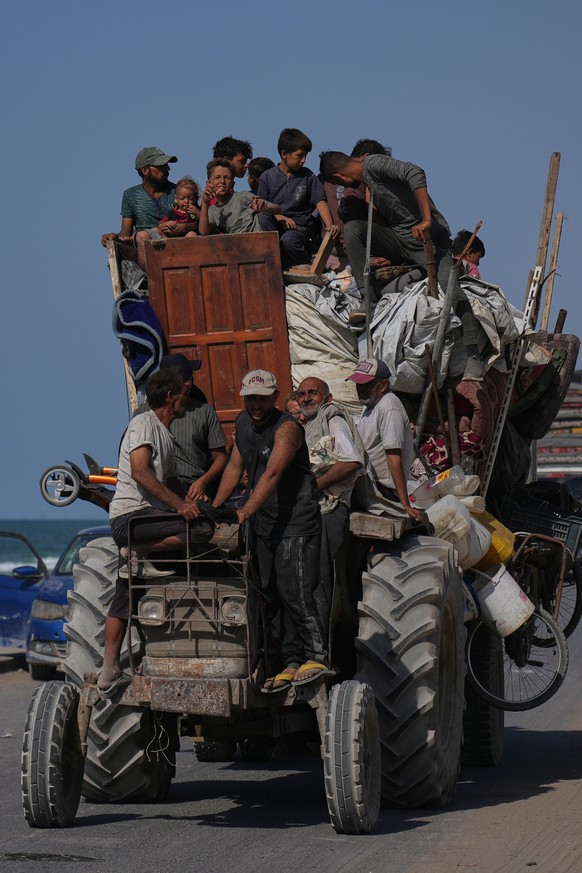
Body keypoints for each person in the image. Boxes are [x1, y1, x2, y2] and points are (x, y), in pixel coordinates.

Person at [212, 369, 331, 692]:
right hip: (264, 524)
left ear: (275, 398)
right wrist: (217, 508)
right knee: (271, 593)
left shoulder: (287, 428)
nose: (257, 405)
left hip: (296, 522)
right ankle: (290, 661)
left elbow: (273, 473)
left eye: (263, 398)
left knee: (298, 592)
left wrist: (244, 511)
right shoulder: (243, 424)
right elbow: (235, 467)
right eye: (251, 398)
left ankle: (316, 656)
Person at [97, 368, 214, 697]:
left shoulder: (166, 434)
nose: (186, 400)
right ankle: (143, 550)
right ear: (170, 397)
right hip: (131, 518)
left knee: (124, 594)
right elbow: (141, 473)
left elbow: (171, 482)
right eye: (183, 394)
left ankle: (108, 672)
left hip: (149, 520)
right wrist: (181, 508)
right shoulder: (144, 424)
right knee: (203, 531)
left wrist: (192, 499)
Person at [320, 150, 484, 381]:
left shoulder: (374, 164)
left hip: (429, 240)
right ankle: (368, 298)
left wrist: (426, 220)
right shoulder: (369, 183)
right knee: (353, 229)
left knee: (450, 287)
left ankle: (473, 353)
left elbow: (415, 172)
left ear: (340, 177)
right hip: (401, 239)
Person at [296, 377, 364, 615]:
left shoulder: (332, 420)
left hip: (330, 511)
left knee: (321, 578)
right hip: (313, 509)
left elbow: (351, 461)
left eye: (312, 393)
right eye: (301, 394)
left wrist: (314, 485)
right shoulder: (310, 425)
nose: (306, 398)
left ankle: (323, 646)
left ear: (328, 398)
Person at [138, 354, 228, 499]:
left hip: (193, 487)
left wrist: (202, 482)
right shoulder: (144, 413)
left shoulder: (204, 412)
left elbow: (221, 457)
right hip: (157, 486)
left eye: (187, 380)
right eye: (179, 382)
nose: (184, 386)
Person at [347, 358, 423, 523]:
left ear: (383, 385)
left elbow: (393, 458)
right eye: (358, 384)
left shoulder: (388, 406)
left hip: (387, 492)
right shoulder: (369, 407)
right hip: (372, 489)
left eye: (366, 384)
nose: (360, 389)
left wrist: (404, 505)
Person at [257, 128, 339, 268]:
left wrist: (329, 225)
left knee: (289, 241)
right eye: (300, 156)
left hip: (300, 229)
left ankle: (306, 265)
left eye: (305, 156)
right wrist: (280, 217)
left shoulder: (307, 176)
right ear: (284, 154)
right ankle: (278, 265)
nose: (303, 160)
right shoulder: (267, 177)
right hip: (275, 228)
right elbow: (261, 207)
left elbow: (320, 201)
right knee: (263, 217)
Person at [101, 147, 194, 270]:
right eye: (161, 166)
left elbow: (197, 220)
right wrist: (112, 237)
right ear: (145, 170)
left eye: (166, 165)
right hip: (145, 249)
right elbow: (126, 232)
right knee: (137, 240)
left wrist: (184, 227)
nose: (167, 169)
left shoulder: (178, 193)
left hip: (175, 247)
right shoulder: (130, 195)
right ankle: (152, 279)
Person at [199, 159, 279, 236]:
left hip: (258, 240)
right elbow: (203, 232)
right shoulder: (212, 211)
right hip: (236, 245)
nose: (222, 181)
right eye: (217, 177)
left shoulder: (243, 196)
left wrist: (265, 206)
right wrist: (205, 203)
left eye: (227, 178)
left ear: (232, 184)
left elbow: (277, 208)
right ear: (209, 183)